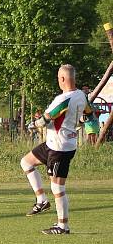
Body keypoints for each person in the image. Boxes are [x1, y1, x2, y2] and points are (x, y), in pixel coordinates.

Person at [21, 65, 94, 234]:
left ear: (62, 79)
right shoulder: (82, 96)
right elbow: (90, 116)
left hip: (60, 148)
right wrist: (92, 131)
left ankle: (63, 226)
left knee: (57, 187)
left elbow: (46, 119)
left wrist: (32, 125)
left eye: (58, 78)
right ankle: (42, 201)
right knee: (26, 162)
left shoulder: (63, 100)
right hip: (54, 143)